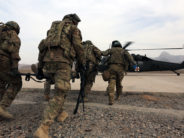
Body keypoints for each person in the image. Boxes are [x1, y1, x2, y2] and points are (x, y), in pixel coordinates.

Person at [33, 13, 85, 138]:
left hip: (48, 63)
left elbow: (43, 48)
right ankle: (44, 128)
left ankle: (60, 113)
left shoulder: (52, 31)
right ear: (74, 21)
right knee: (60, 92)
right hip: (62, 64)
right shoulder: (73, 29)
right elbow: (78, 47)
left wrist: (40, 68)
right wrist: (82, 64)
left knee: (61, 88)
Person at [102, 40, 136, 105]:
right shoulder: (124, 51)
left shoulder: (111, 50)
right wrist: (135, 67)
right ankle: (118, 96)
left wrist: (98, 52)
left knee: (112, 82)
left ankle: (111, 100)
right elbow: (131, 59)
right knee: (119, 83)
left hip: (112, 68)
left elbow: (104, 53)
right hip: (120, 69)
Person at [0, 21, 22, 119]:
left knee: (1, 83)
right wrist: (14, 69)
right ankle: (2, 107)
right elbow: (14, 54)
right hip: (3, 61)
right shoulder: (13, 35)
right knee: (16, 82)